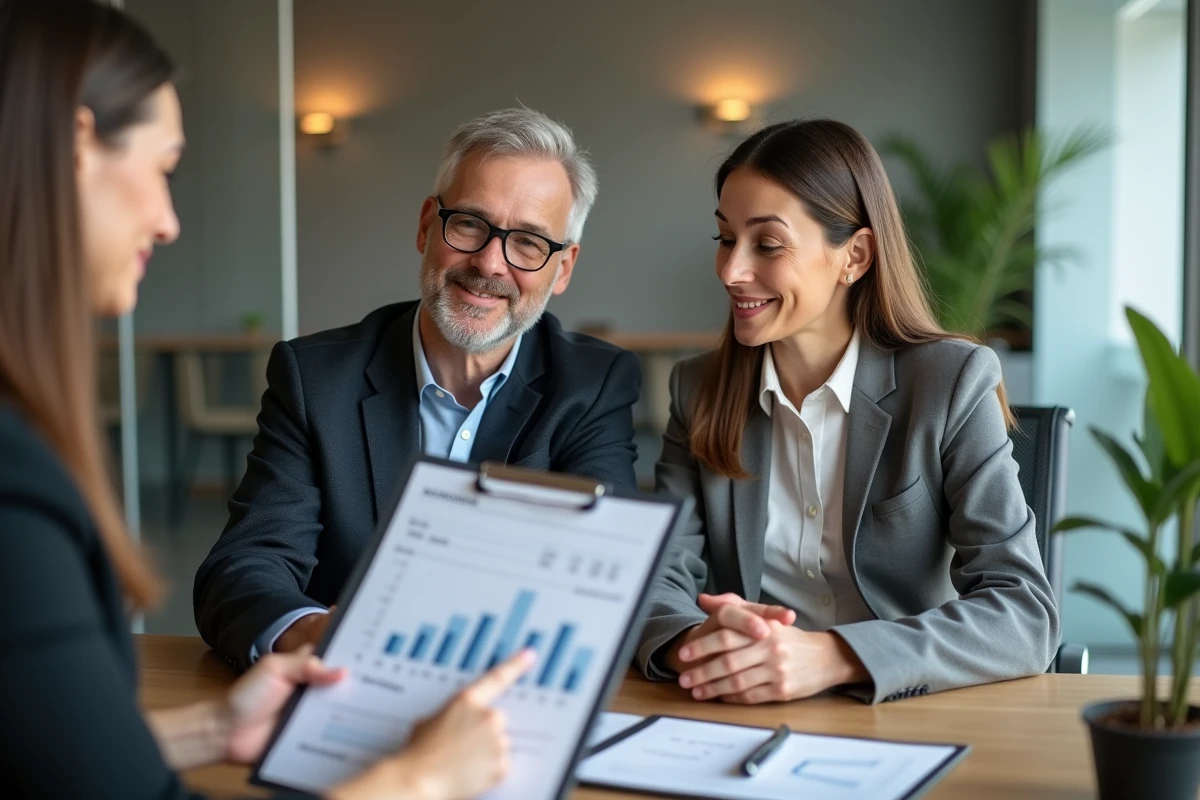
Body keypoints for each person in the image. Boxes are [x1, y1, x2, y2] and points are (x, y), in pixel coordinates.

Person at [0, 2, 532, 797]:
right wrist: (422, 781)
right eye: (163, 168)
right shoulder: (15, 486)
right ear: (77, 146)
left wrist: (211, 727)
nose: (168, 220)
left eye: (526, 241)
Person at [194, 107, 641, 672]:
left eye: (527, 243)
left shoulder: (593, 385)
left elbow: (601, 577)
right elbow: (244, 566)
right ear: (427, 225)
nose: (488, 263)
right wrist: (314, 633)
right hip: (342, 685)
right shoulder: (316, 378)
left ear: (564, 267)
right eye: (469, 225)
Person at [635, 119, 1059, 705]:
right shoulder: (698, 388)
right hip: (747, 712)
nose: (731, 270)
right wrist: (699, 643)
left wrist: (834, 656)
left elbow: (1024, 614)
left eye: (768, 243)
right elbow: (658, 574)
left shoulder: (950, 382)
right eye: (724, 239)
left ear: (854, 255)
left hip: (906, 709)